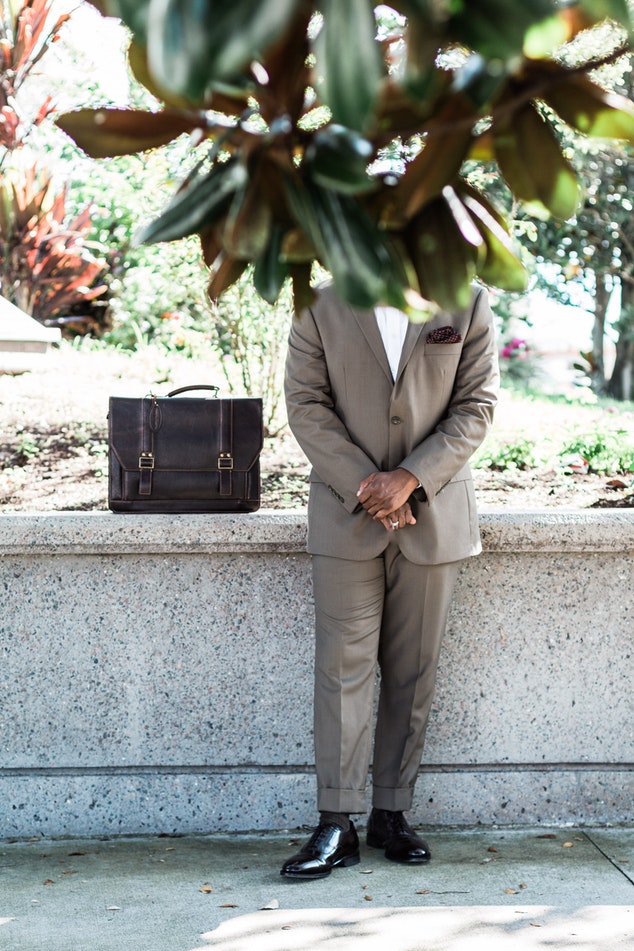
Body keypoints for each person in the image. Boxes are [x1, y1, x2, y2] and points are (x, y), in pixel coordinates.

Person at [281, 281, 499, 880]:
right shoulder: (317, 304)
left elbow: (476, 403)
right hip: (345, 514)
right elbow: (305, 403)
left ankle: (391, 814)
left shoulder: (467, 301)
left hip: (434, 517)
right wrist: (368, 484)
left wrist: (410, 476)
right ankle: (336, 822)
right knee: (341, 668)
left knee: (412, 670)